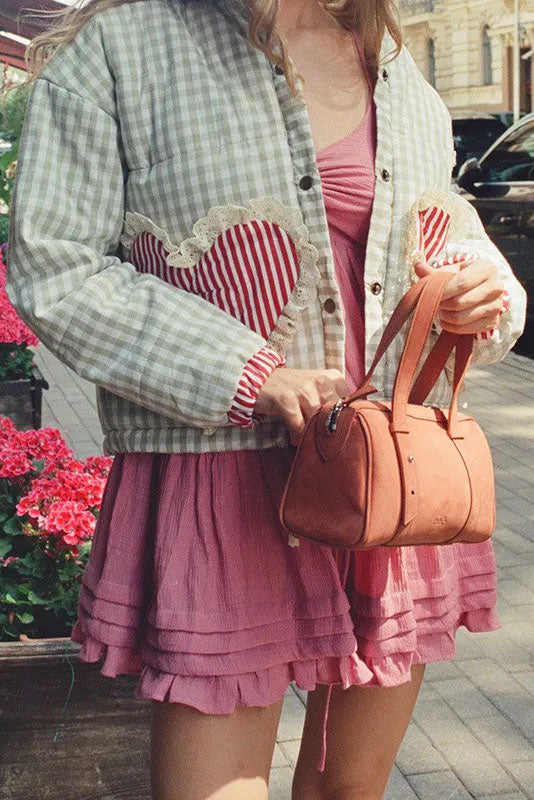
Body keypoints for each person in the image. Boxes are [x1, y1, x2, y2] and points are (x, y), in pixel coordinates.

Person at [6, 0, 526, 798]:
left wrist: (477, 287)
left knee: (348, 790)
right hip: (219, 481)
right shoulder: (126, 49)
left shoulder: (389, 61)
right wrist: (247, 372)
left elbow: (445, 224)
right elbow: (58, 268)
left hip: (386, 480)